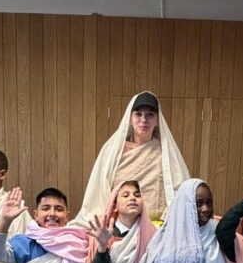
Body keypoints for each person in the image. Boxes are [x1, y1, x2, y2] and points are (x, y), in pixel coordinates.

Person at [76, 91, 190, 224]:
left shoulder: (166, 153)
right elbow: (100, 187)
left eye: (150, 115)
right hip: (120, 223)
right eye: (138, 114)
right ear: (130, 118)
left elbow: (178, 188)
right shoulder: (114, 151)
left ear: (157, 120)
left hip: (155, 225)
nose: (144, 120)